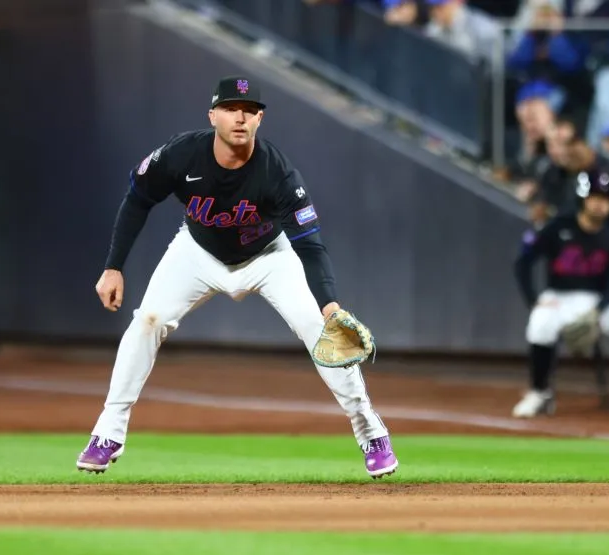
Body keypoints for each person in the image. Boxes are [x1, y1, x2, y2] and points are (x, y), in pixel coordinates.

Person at [76, 76, 398, 479]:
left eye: (249, 111)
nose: (239, 118)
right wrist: (113, 266)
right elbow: (137, 200)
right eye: (230, 109)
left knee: (320, 328)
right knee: (147, 321)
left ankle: (371, 432)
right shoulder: (181, 155)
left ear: (260, 119)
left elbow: (310, 246)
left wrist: (330, 305)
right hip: (197, 251)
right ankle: (107, 433)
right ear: (213, 116)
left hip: (268, 255)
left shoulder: (278, 174)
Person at [512, 168, 609, 418]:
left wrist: (600, 309)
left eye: (605, 199)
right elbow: (523, 262)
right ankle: (539, 392)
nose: (600, 205)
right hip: (558, 296)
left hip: (596, 301)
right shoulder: (557, 227)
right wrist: (533, 300)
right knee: (540, 324)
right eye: (594, 198)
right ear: (582, 199)